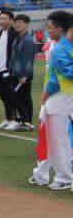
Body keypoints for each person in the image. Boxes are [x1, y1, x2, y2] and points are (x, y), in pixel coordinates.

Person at [31, 11, 73, 190]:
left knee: (56, 138)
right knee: (57, 137)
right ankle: (42, 174)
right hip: (64, 97)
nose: (47, 31)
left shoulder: (60, 49)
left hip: (60, 98)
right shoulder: (62, 47)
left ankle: (64, 177)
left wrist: (45, 95)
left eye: (50, 27)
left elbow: (58, 78)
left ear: (60, 28)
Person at [8, 14, 36, 131]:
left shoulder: (28, 40)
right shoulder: (17, 38)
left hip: (23, 75)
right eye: (16, 22)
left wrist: (25, 75)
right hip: (15, 73)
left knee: (24, 98)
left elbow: (28, 59)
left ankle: (27, 122)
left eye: (20, 22)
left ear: (26, 24)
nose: (17, 24)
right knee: (18, 98)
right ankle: (23, 121)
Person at [0, 10, 18, 130]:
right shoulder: (0, 32)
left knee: (11, 96)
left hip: (9, 70)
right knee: (3, 96)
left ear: (11, 20)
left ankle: (15, 119)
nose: (1, 21)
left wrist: (12, 68)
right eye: (0, 18)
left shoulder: (14, 33)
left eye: (4, 18)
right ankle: (7, 119)